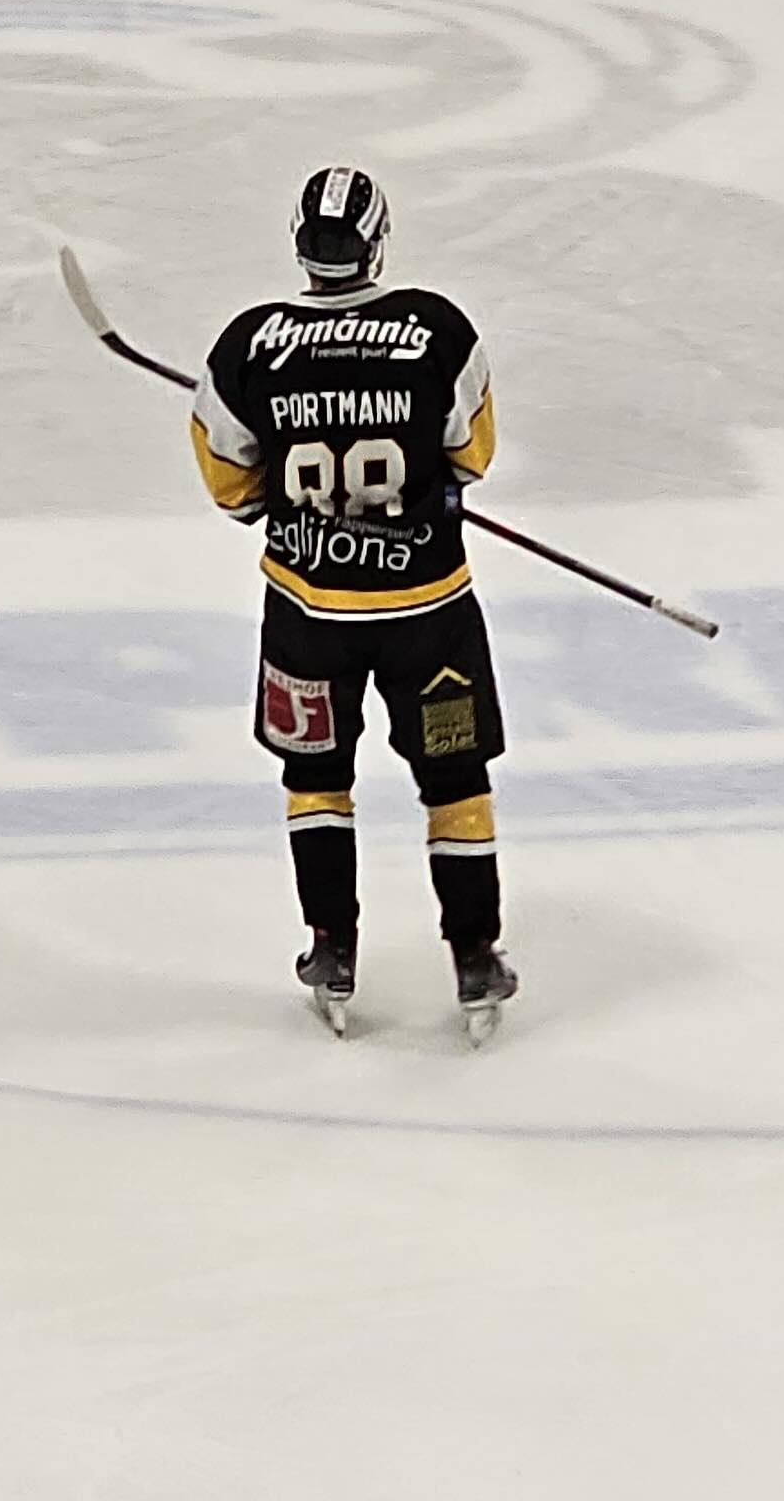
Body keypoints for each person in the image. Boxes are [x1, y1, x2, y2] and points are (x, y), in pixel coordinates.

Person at [190, 166, 517, 1039]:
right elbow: (471, 455)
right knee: (455, 782)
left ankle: (331, 947)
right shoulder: (437, 330)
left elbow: (231, 486)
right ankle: (475, 955)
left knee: (316, 778)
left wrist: (292, 500)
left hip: (309, 618)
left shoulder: (248, 345)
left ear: (302, 246)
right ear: (376, 243)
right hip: (429, 618)